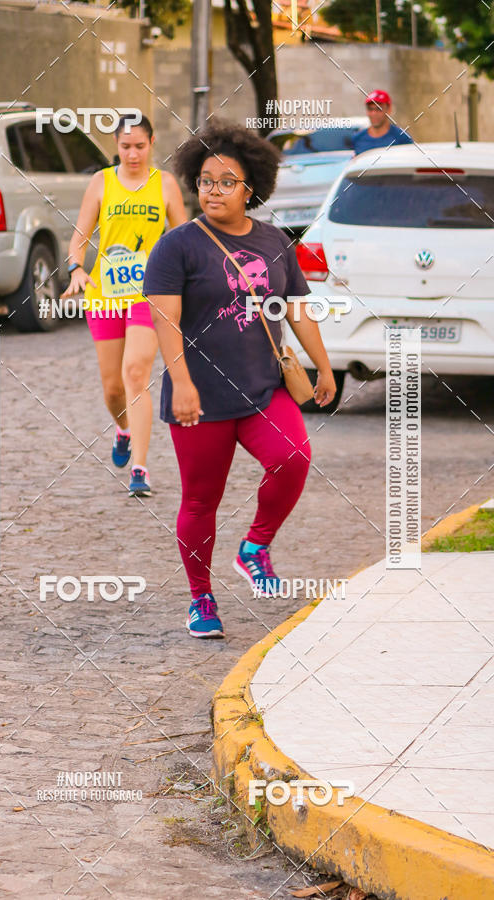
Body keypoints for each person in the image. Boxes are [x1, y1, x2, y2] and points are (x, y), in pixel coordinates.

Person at [143, 121, 337, 639]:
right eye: (206, 181)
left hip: (262, 389)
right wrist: (181, 384)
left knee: (293, 457)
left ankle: (254, 546)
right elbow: (165, 322)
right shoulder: (176, 246)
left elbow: (296, 308)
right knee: (200, 501)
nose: (213, 191)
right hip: (200, 397)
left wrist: (323, 364)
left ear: (251, 188)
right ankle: (200, 599)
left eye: (227, 182)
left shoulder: (274, 240)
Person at [62, 114, 187, 497]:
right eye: (125, 146)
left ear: (152, 143)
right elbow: (78, 240)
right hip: (104, 296)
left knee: (136, 372)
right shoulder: (101, 182)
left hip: (148, 295)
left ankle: (140, 468)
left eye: (140, 146)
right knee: (113, 387)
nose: (133, 154)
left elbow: (184, 239)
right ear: (116, 146)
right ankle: (123, 429)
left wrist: (191, 283)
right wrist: (76, 270)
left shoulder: (164, 185)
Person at [352, 90, 413, 156]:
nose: (374, 113)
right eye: (370, 109)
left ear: (389, 109)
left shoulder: (402, 137)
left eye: (378, 109)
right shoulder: (358, 138)